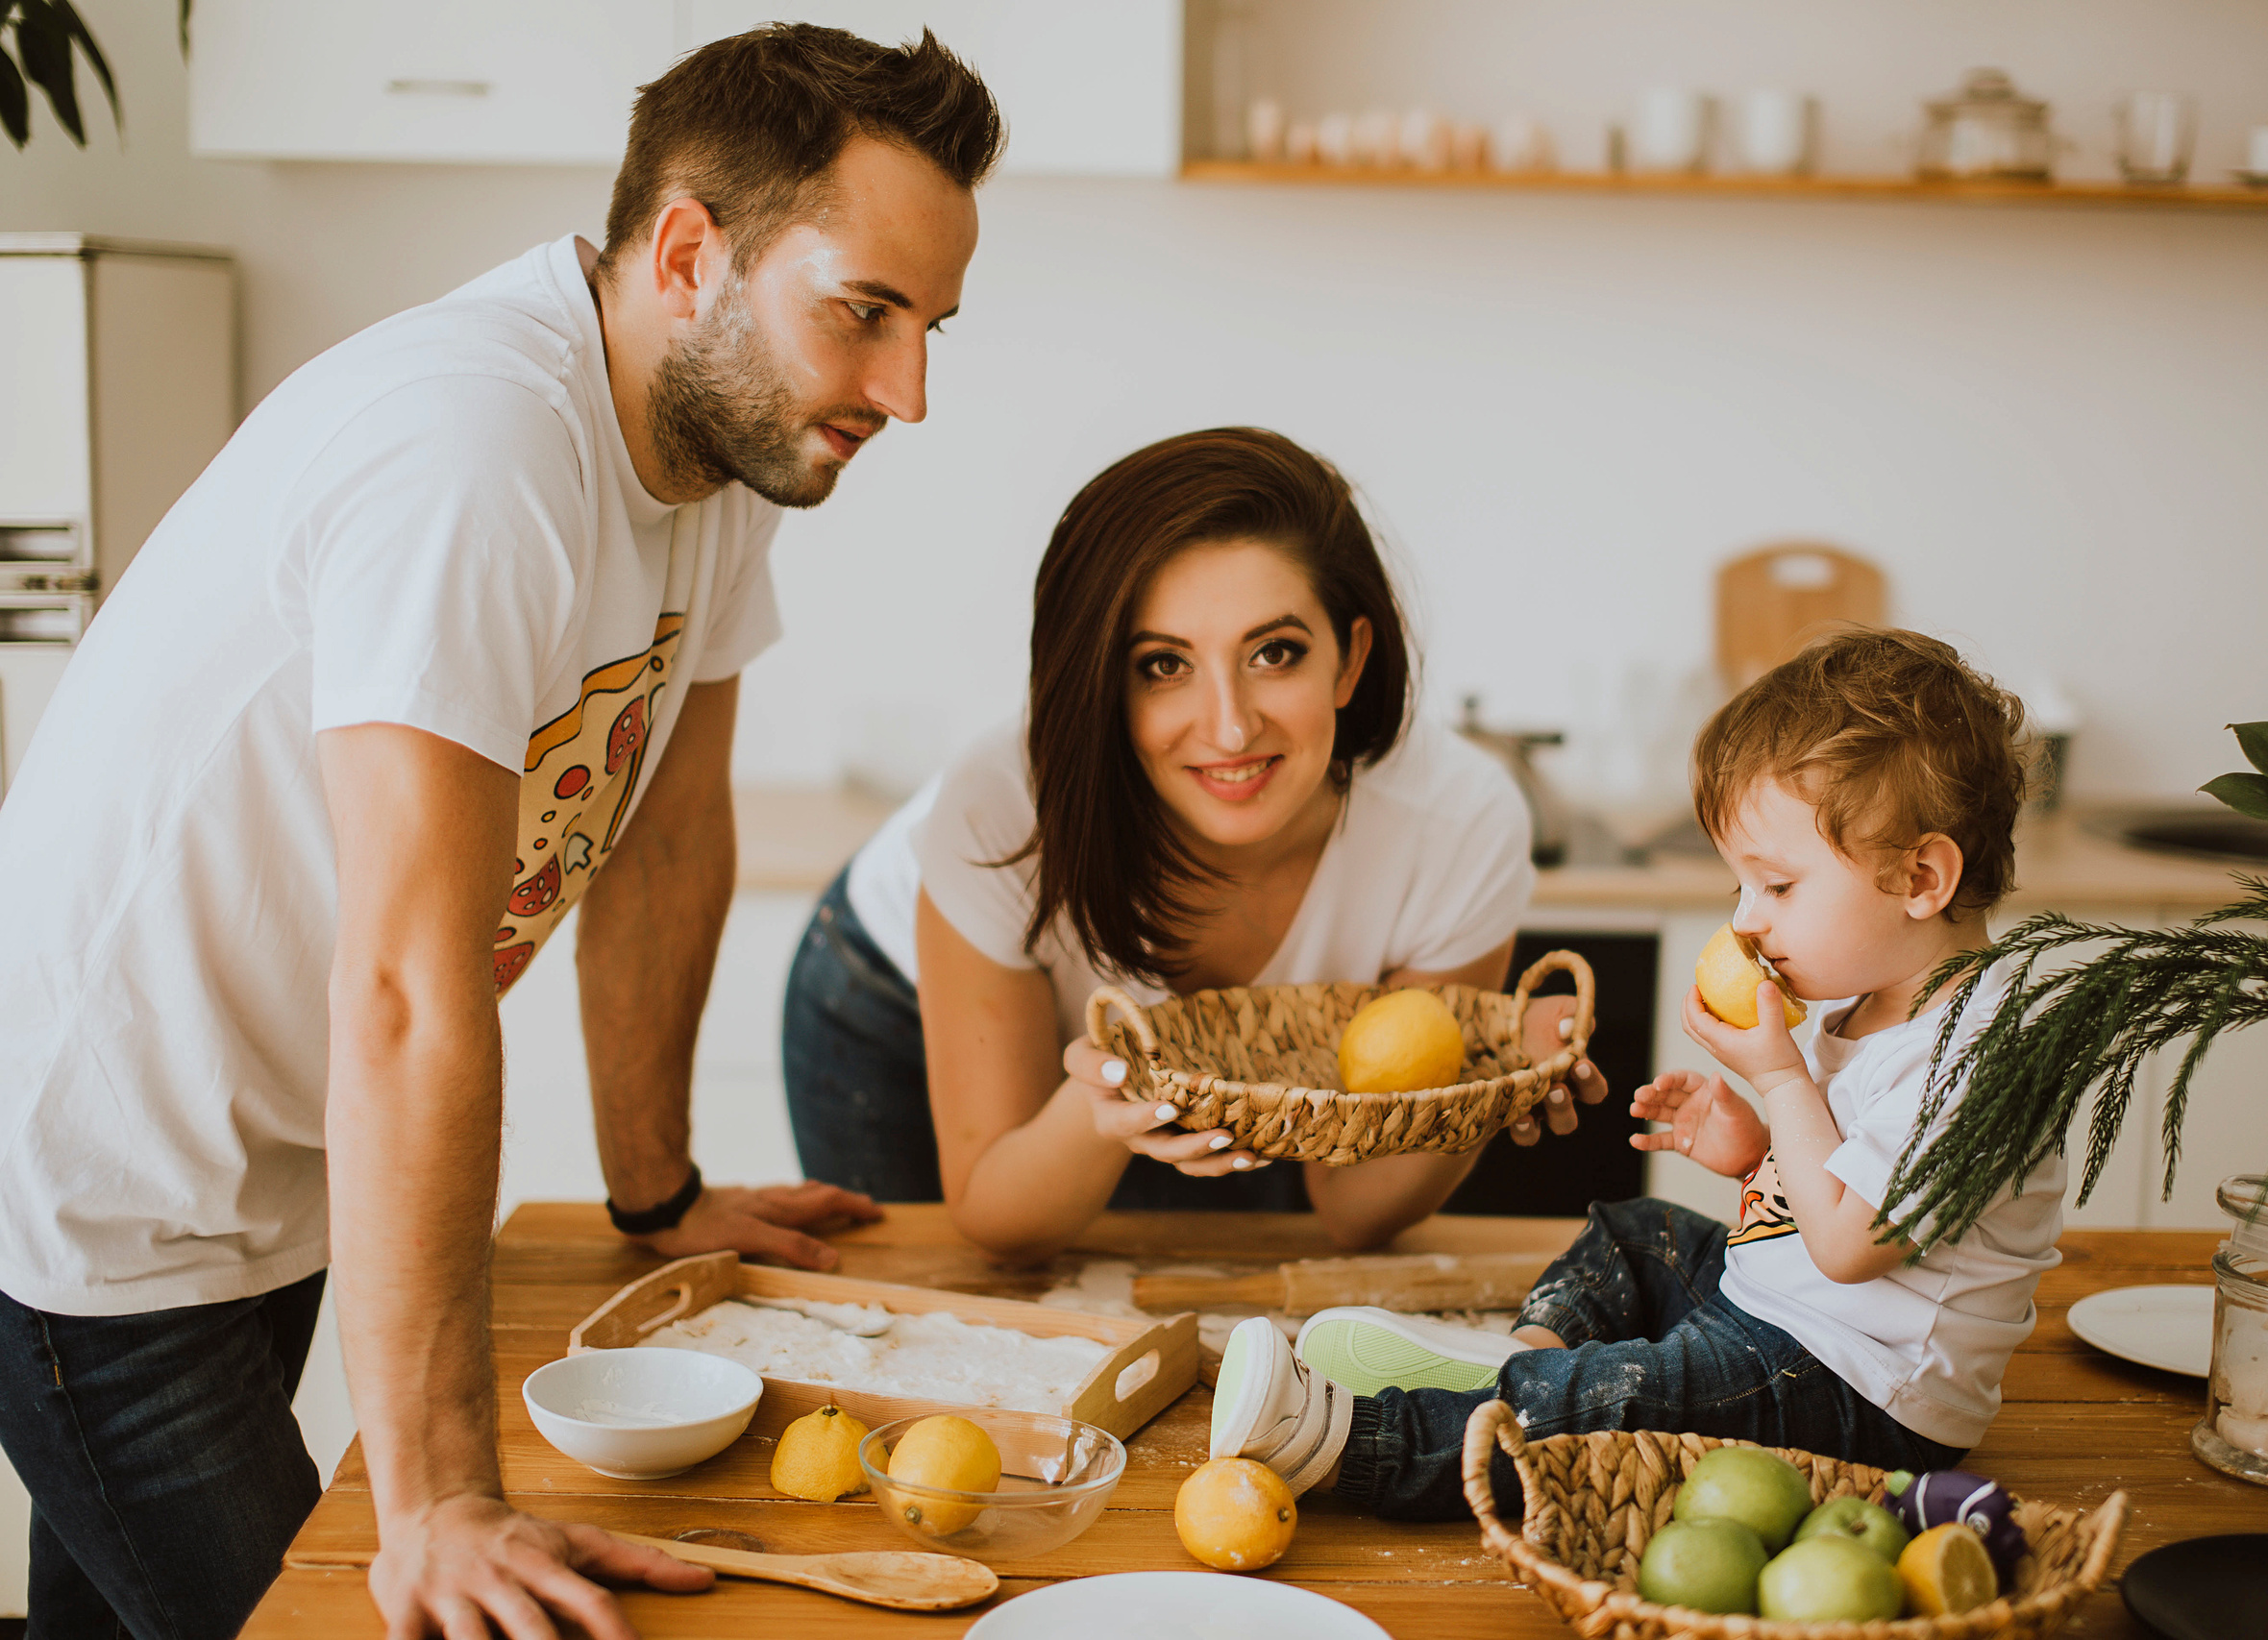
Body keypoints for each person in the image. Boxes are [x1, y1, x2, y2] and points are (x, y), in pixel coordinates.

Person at [0, 26, 1001, 1640]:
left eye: (930, 327)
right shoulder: (478, 451)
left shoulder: (725, 449)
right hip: (96, 1165)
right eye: (864, 311)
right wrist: (444, 1496)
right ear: (690, 254)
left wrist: (657, 1189)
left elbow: (666, 826)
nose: (909, 391)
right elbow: (409, 988)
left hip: (265, 1147)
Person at [1205, 628, 2064, 1517]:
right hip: (1784, 1318)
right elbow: (1846, 1179)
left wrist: (1780, 1081)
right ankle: (1528, 1364)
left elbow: (1851, 1245)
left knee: (1634, 1394)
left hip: (1860, 1390)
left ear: (1921, 877)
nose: (1746, 921)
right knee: (1637, 1232)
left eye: (1777, 886)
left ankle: (1351, 1443)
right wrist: (1757, 1153)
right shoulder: (1873, 998)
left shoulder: (1985, 1054)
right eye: (1740, 887)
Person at [783, 427, 1610, 1261]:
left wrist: (1486, 1082)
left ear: (1349, 660)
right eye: (1163, 665)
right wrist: (1107, 1105)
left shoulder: (1459, 828)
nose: (1230, 727)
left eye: (1275, 653)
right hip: (892, 998)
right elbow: (998, 1211)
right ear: (1106, 680)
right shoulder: (997, 816)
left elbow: (1353, 1209)